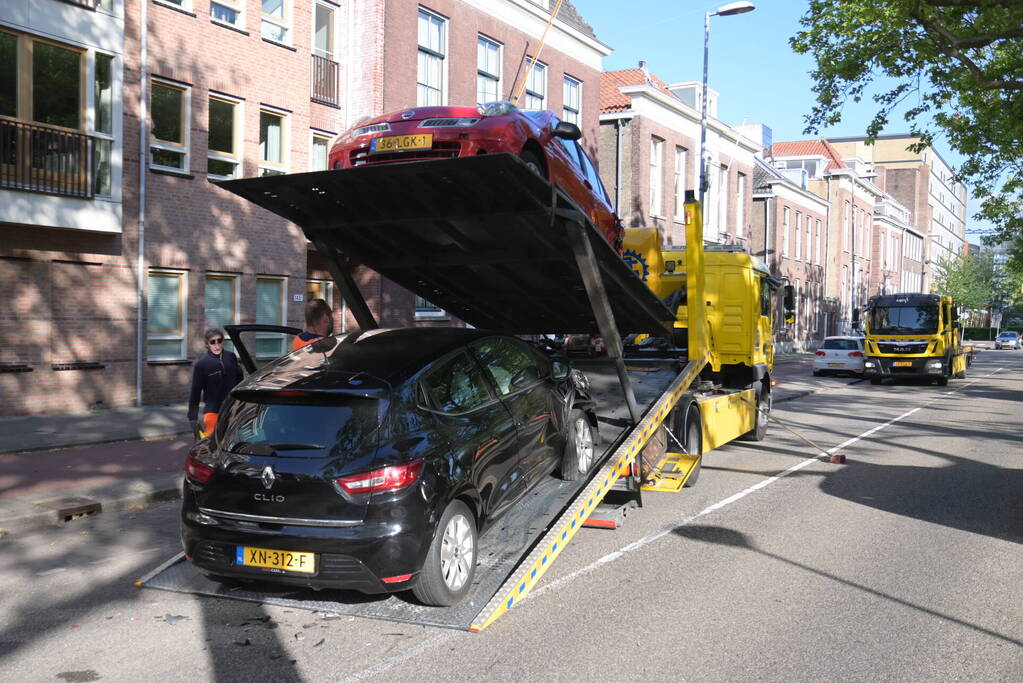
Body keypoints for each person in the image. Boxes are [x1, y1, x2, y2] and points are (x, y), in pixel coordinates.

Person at [188, 328, 244, 439]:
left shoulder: (231, 357)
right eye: (212, 342)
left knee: (234, 440)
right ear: (207, 344)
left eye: (219, 341)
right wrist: (193, 418)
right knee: (212, 442)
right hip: (212, 411)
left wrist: (241, 403)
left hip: (232, 408)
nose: (217, 345)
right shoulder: (202, 365)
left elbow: (239, 381)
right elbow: (195, 392)